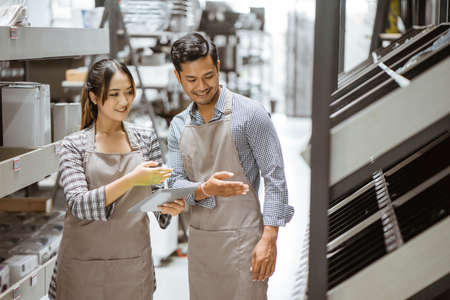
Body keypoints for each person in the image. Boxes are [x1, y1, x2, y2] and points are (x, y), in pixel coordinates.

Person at [168, 33, 294, 300]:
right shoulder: (178, 126)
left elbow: (275, 178)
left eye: (209, 76)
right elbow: (174, 184)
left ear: (219, 67)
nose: (202, 86)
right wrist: (204, 189)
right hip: (201, 245)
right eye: (191, 79)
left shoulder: (250, 114)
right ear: (178, 77)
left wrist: (269, 238)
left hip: (245, 241)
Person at [48, 57, 185, 300]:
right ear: (93, 97)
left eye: (129, 92)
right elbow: (79, 205)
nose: (124, 102)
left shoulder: (145, 140)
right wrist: (132, 179)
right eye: (114, 94)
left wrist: (169, 207)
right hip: (82, 268)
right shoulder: (73, 146)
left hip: (132, 266)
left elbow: (155, 200)